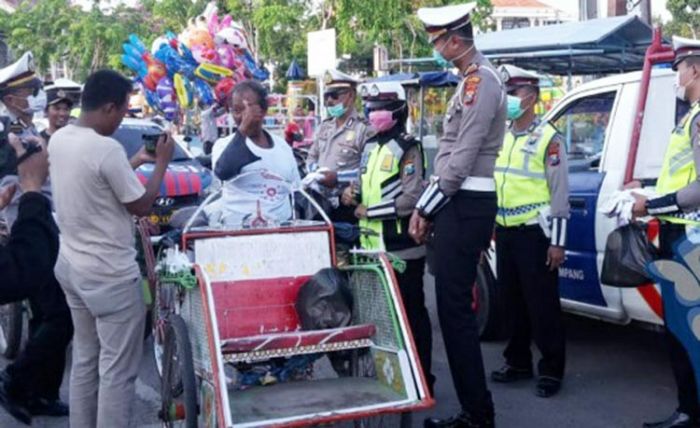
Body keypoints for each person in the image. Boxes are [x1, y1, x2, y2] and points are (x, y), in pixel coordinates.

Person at [48, 69, 175, 428]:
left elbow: (98, 183)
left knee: (86, 361)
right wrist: (162, 162)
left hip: (72, 267)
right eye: (121, 111)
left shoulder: (61, 138)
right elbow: (141, 205)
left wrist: (136, 161)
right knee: (118, 373)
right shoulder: (105, 149)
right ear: (107, 107)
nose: (122, 119)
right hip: (109, 277)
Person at [410, 3, 507, 427]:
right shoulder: (469, 80)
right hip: (459, 203)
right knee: (452, 311)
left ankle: (477, 414)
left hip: (464, 203)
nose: (435, 49)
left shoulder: (479, 82)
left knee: (455, 312)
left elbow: (462, 156)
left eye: (436, 41)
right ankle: (475, 409)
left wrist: (425, 206)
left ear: (454, 39)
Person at [341, 80, 435, 391]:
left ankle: (423, 381)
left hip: (401, 252)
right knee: (381, 320)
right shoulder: (369, 146)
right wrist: (350, 195)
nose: (373, 114)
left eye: (380, 108)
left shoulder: (408, 147)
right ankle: (392, 378)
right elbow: (363, 188)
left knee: (411, 318)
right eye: (370, 108)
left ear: (397, 111)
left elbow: (410, 199)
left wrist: (370, 211)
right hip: (371, 250)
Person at [0, 52, 73, 425]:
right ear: (12, 99)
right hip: (28, 235)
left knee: (48, 315)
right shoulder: (10, 137)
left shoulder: (26, 130)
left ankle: (42, 392)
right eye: (30, 90)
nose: (37, 95)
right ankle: (17, 379)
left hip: (44, 229)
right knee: (61, 316)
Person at [632, 36, 700, 428]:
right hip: (682, 236)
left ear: (693, 68)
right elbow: (681, 175)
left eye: (678, 68)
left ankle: (690, 413)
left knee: (683, 333)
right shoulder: (690, 116)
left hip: (689, 240)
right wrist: (645, 189)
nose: (676, 75)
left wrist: (651, 205)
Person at [490, 64, 569, 398]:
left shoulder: (549, 138)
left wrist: (558, 243)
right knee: (512, 302)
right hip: (505, 231)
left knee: (542, 305)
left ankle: (551, 370)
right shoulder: (502, 134)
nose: (508, 99)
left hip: (535, 234)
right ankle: (518, 362)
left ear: (532, 97)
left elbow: (560, 194)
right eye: (506, 92)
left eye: (515, 93)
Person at [211, 79, 300, 227]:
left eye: (248, 109)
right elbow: (223, 171)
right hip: (238, 234)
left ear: (263, 110)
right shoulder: (223, 145)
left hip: (281, 233)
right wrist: (244, 128)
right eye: (237, 110)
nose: (243, 116)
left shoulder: (282, 147)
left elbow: (295, 190)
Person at [306, 69, 372, 223]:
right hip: (319, 201)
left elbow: (369, 170)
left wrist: (337, 178)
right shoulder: (325, 126)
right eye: (327, 96)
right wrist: (316, 172)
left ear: (351, 96)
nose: (329, 101)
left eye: (334, 96)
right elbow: (311, 157)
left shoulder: (363, 129)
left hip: (346, 200)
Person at [40, 78, 82, 143]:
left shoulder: (77, 139)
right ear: (46, 111)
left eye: (66, 109)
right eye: (57, 109)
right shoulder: (39, 140)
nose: (62, 114)